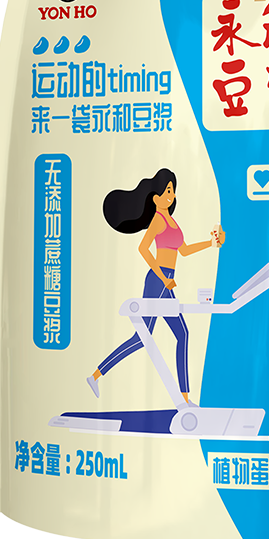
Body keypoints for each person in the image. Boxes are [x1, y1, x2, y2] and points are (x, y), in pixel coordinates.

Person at [88, 168, 225, 404]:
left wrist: (211, 243)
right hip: (157, 281)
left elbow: (184, 250)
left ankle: (184, 398)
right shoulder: (158, 220)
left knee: (179, 334)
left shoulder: (171, 221)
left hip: (165, 282)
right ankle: (96, 375)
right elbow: (143, 249)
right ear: (155, 197)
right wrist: (163, 277)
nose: (172, 195)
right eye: (168, 190)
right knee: (145, 337)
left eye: (173, 190)